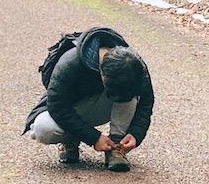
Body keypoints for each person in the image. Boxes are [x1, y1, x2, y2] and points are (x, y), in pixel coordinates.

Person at [24, 26, 154, 172]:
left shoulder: (133, 64)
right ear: (103, 76)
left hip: (99, 105)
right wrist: (93, 138)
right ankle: (70, 139)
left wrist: (136, 134)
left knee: (128, 93)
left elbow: (146, 102)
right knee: (43, 128)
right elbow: (57, 106)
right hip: (74, 106)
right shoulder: (70, 62)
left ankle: (117, 146)